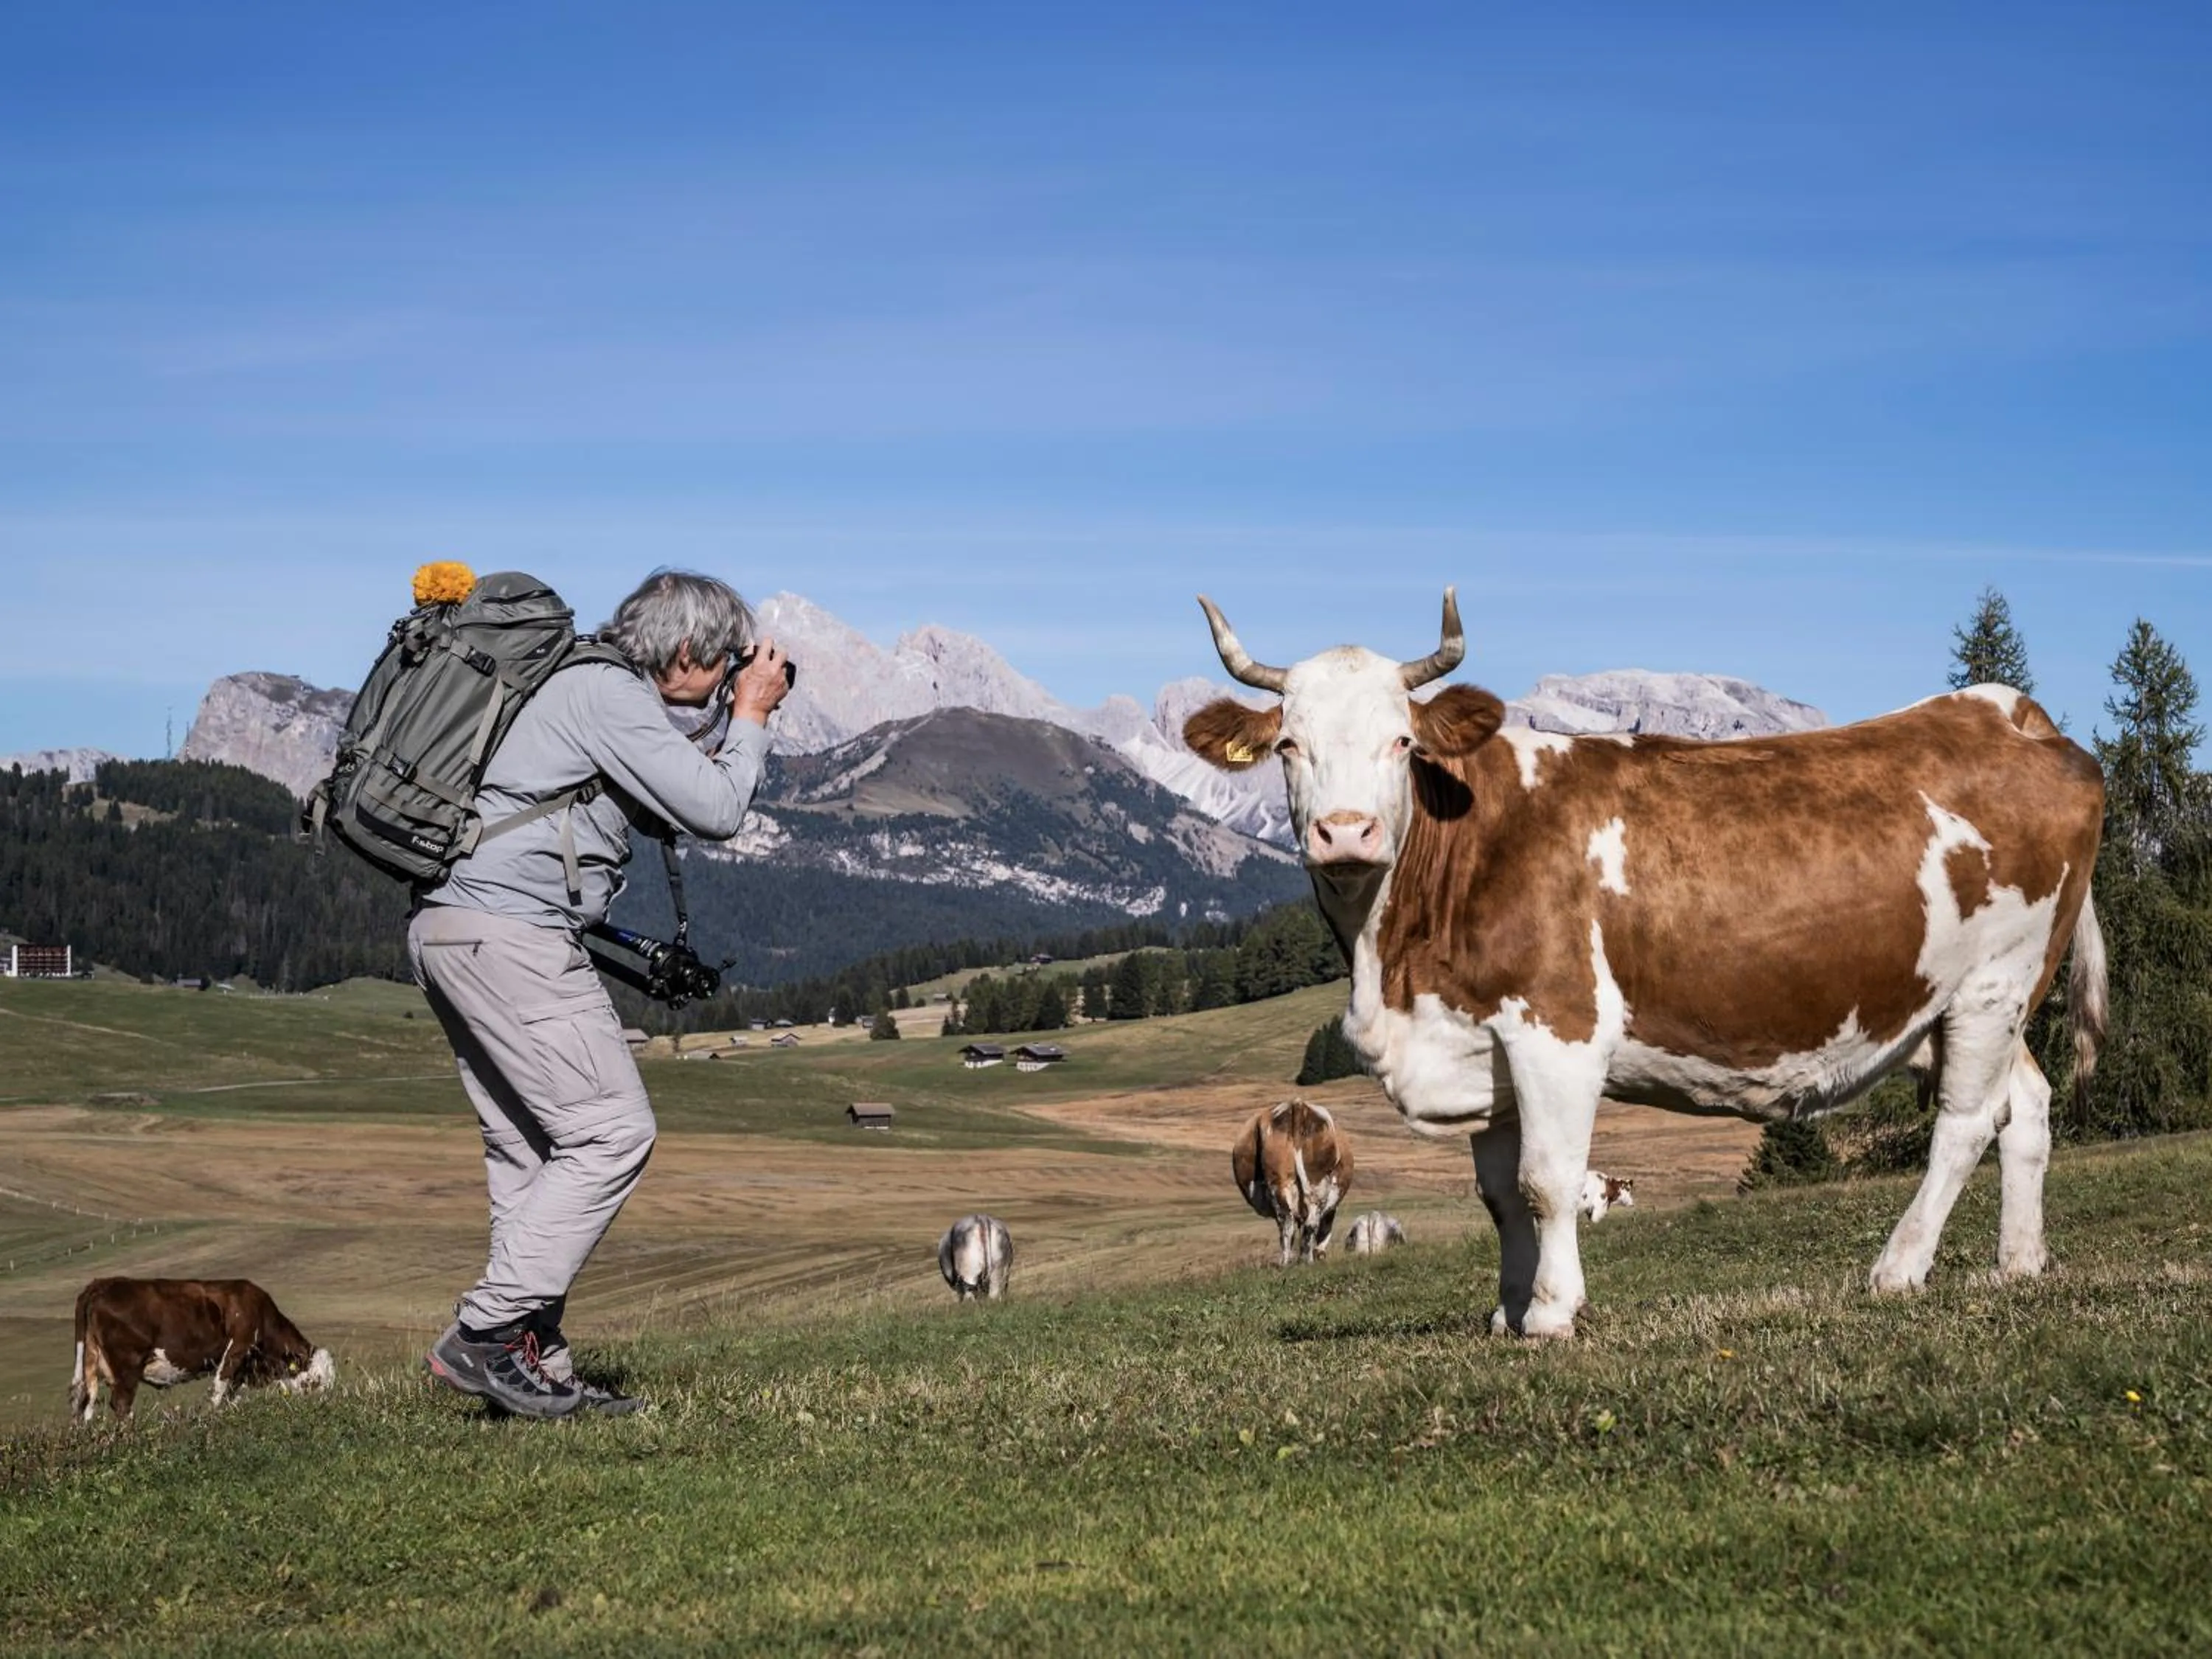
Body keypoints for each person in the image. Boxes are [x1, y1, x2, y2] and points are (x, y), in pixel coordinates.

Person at [414, 568, 791, 1417]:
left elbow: (649, 802)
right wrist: (755, 715)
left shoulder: (576, 685)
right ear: (688, 653)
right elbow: (720, 811)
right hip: (512, 935)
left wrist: (726, 725)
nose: (733, 674)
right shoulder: (607, 695)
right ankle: (480, 1334)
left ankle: (531, 1367)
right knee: (613, 1132)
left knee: (530, 1153)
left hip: (453, 928)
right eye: (727, 660)